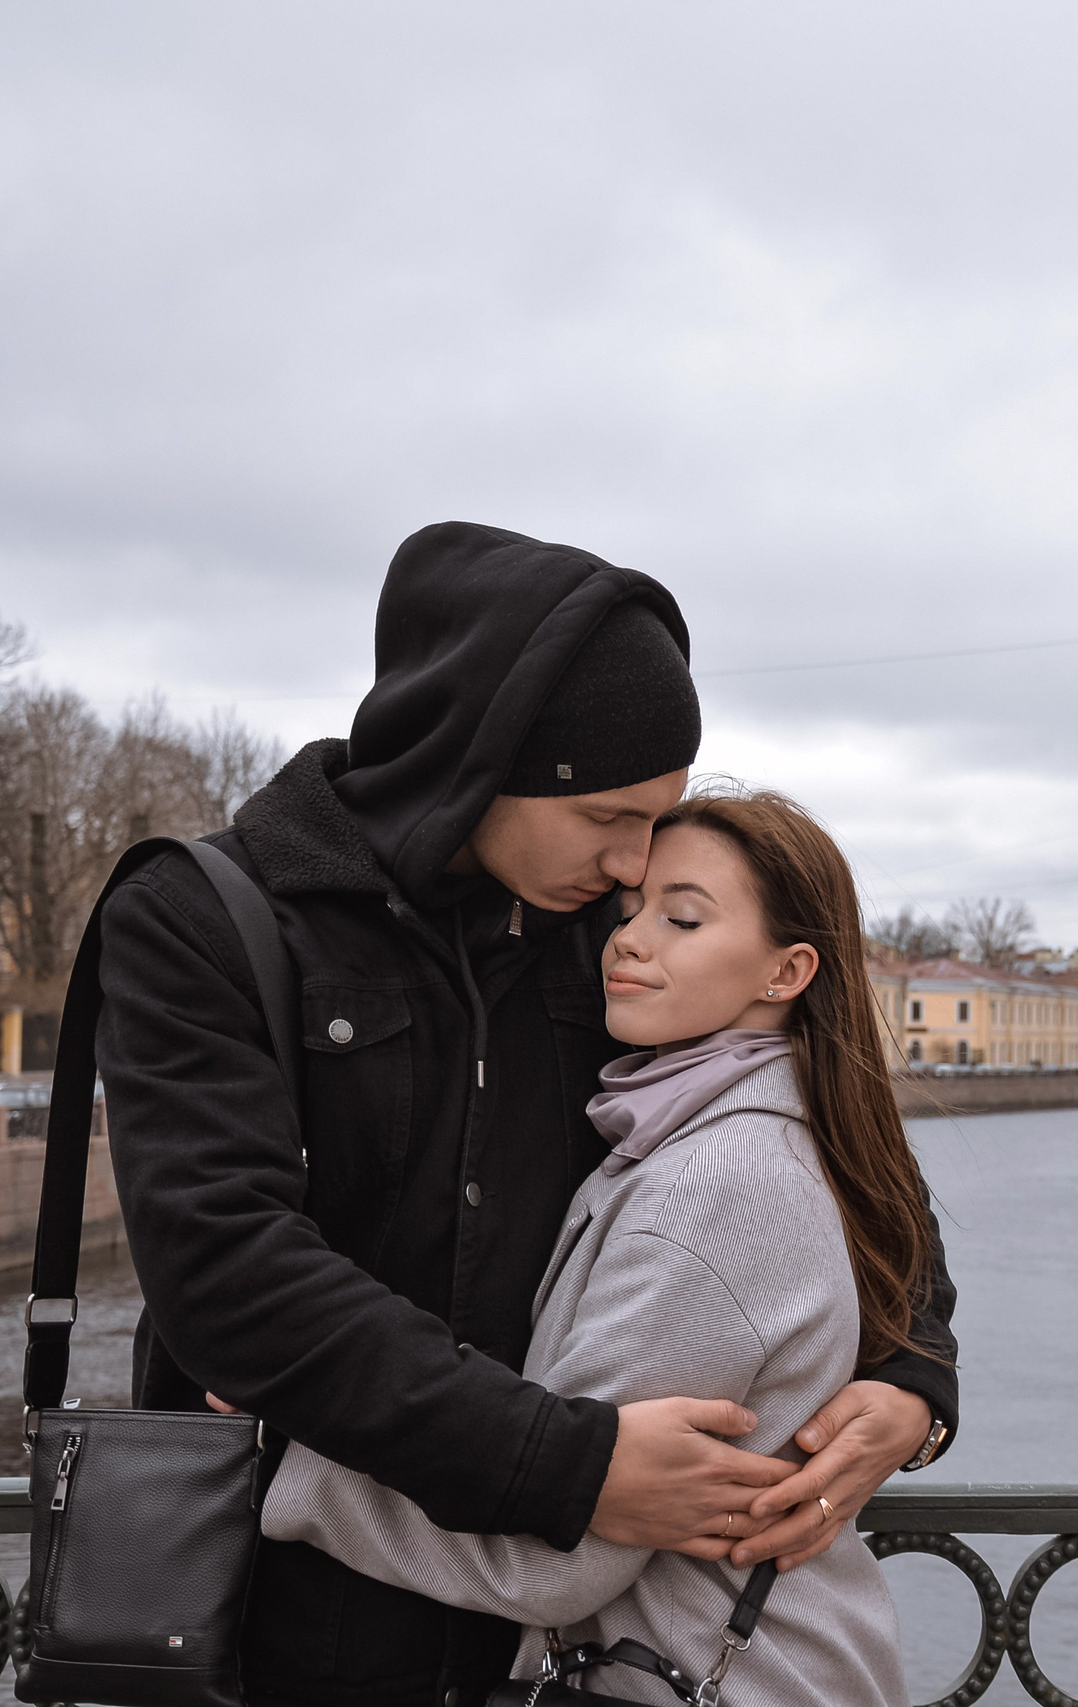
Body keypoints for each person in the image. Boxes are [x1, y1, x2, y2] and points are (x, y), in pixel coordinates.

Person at [94, 523, 958, 1707]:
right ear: (481, 760)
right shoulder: (202, 918)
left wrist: (914, 1374)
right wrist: (569, 1468)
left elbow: (837, 1146)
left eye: (655, 822)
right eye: (608, 817)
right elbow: (223, 1265)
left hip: (544, 1652)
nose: (631, 862)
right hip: (265, 1617)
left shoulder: (606, 937)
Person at [262, 788, 922, 1705]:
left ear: (787, 971)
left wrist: (290, 1453)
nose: (628, 939)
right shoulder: (714, 1131)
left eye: (681, 918)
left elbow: (554, 1559)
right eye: (627, 913)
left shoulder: (711, 1186)